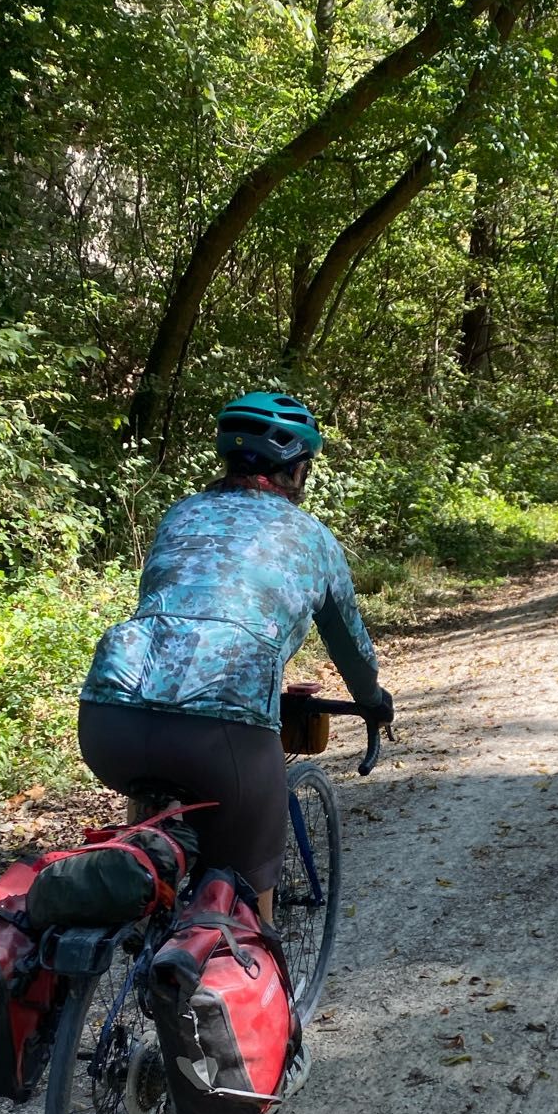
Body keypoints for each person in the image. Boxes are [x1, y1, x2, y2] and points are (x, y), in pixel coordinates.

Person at [78, 391, 393, 918]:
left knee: (151, 812)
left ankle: (140, 913)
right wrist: (373, 699)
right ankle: (242, 956)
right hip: (224, 728)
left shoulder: (181, 514)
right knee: (249, 889)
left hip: (109, 722)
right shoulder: (313, 539)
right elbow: (349, 645)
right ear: (297, 468)